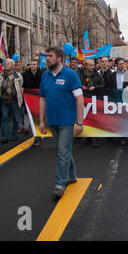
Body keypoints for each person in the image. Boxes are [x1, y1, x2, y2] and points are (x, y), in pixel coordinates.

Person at [39, 47, 84, 198]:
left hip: (66, 121)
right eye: (46, 56)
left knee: (62, 152)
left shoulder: (71, 75)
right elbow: (42, 99)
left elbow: (79, 98)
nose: (47, 59)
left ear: (59, 58)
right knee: (63, 150)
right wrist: (41, 121)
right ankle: (71, 175)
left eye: (50, 56)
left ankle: (60, 183)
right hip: (52, 120)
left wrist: (79, 122)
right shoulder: (45, 76)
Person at [0, 59, 23, 144]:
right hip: (4, 101)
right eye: (5, 63)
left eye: (8, 63)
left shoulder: (18, 76)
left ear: (12, 65)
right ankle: (5, 136)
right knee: (4, 118)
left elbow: (20, 87)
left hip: (14, 101)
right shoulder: (1, 76)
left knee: (16, 119)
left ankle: (15, 134)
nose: (6, 65)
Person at [22, 59, 43, 146]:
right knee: (32, 117)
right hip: (29, 98)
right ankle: (36, 136)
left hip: (39, 98)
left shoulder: (42, 74)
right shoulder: (25, 74)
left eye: (34, 64)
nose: (32, 66)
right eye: (31, 64)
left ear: (37, 65)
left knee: (39, 117)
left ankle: (38, 135)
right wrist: (22, 88)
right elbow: (24, 85)